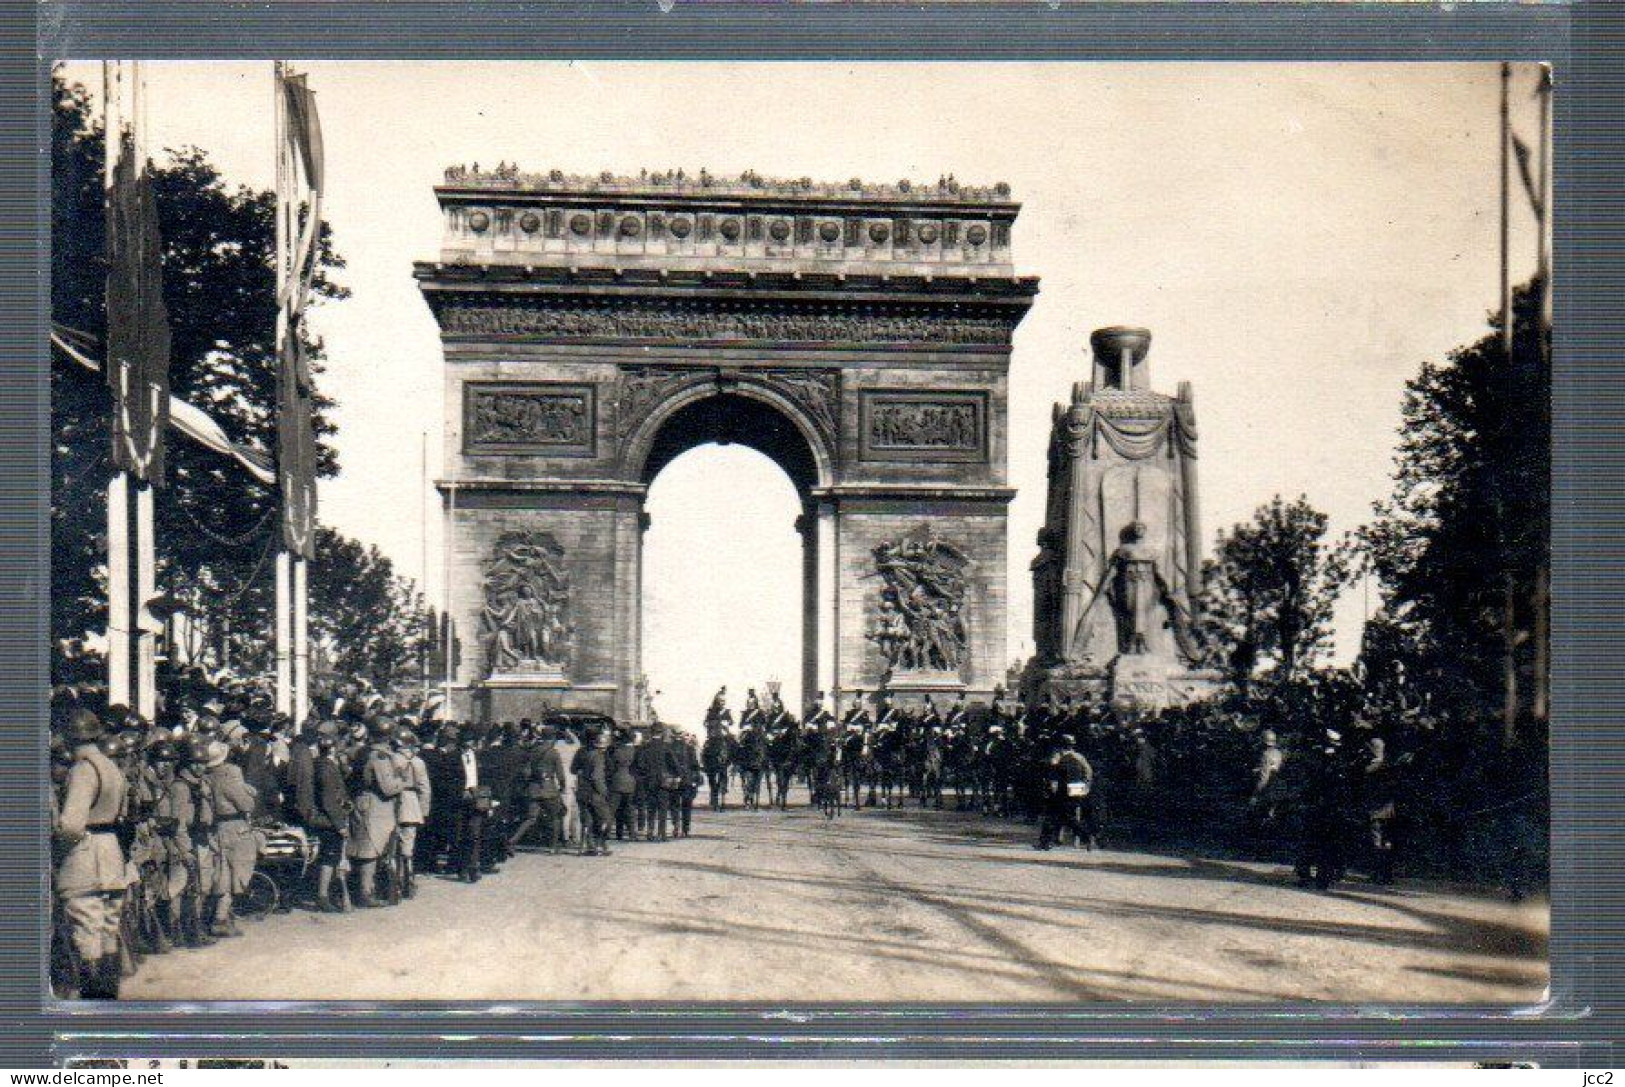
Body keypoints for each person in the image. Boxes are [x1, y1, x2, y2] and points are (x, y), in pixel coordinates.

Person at [54, 708, 129, 998]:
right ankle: (109, 1000)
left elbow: (72, 825)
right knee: (108, 929)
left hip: (87, 853)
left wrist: (58, 851)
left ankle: (93, 1003)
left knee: (86, 930)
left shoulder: (83, 770)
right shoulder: (111, 767)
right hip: (112, 850)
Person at [204, 738, 258, 937]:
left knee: (222, 873)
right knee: (238, 873)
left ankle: (220, 917)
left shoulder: (207, 776)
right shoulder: (231, 774)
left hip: (216, 827)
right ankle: (221, 919)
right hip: (236, 827)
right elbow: (246, 805)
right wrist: (250, 793)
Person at [347, 720, 403, 905]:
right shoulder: (380, 757)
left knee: (365, 847)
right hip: (376, 807)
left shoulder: (363, 752)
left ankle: (363, 889)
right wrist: (402, 781)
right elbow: (387, 788)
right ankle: (365, 892)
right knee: (370, 849)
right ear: (388, 737)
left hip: (364, 803)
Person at [308, 727, 352, 912]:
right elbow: (329, 800)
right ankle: (323, 895)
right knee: (329, 858)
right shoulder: (327, 769)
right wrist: (340, 825)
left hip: (327, 816)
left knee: (330, 857)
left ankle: (326, 894)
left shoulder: (319, 764)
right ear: (333, 749)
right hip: (328, 820)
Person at [394, 728, 431, 899]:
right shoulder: (418, 762)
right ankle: (407, 881)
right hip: (411, 804)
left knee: (392, 844)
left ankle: (394, 881)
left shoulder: (392, 759)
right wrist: (423, 811)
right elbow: (424, 788)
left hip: (393, 803)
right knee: (408, 846)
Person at [573, 727, 614, 856]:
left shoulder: (580, 751)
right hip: (595, 793)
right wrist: (604, 791)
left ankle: (588, 847)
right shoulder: (598, 756)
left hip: (582, 792)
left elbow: (573, 769)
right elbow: (597, 777)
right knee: (606, 819)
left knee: (587, 820)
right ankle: (601, 844)